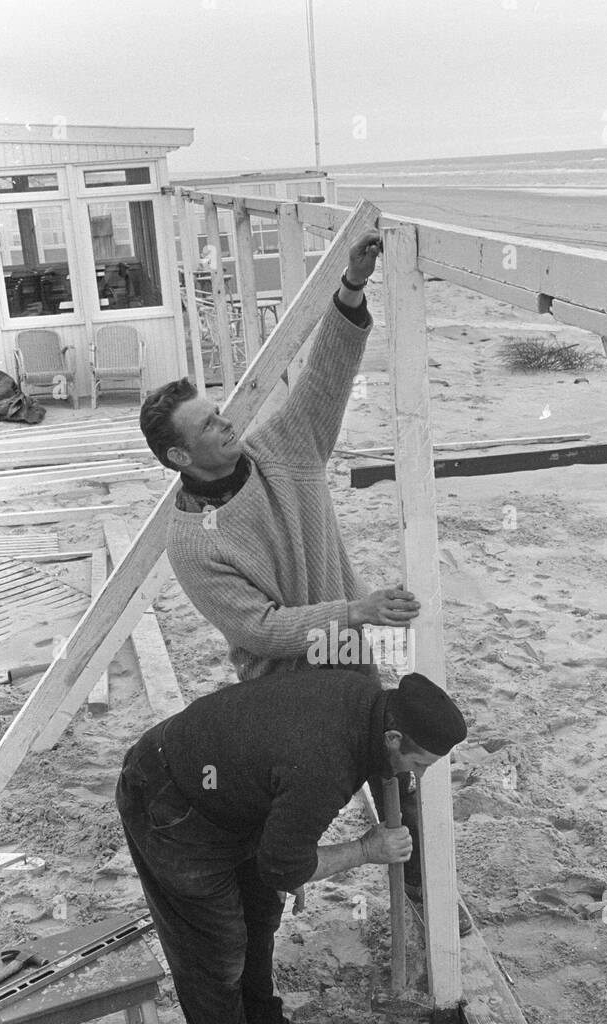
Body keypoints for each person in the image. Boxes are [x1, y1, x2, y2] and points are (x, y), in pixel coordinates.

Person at [139, 231, 425, 891]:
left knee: (396, 766)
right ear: (180, 458)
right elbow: (258, 629)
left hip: (348, 658)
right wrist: (356, 608)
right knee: (282, 816)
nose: (225, 425)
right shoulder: (191, 540)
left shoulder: (284, 448)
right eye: (207, 426)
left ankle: (416, 881)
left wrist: (350, 288)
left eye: (220, 412)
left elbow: (326, 375)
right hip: (280, 689)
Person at [115, 667, 468, 1024]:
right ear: (391, 737)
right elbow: (284, 865)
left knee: (261, 917)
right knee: (215, 958)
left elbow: (283, 847)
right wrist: (365, 850)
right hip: (169, 803)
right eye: (419, 762)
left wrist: (289, 855)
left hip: (236, 794)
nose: (418, 775)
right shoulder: (324, 763)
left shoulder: (367, 699)